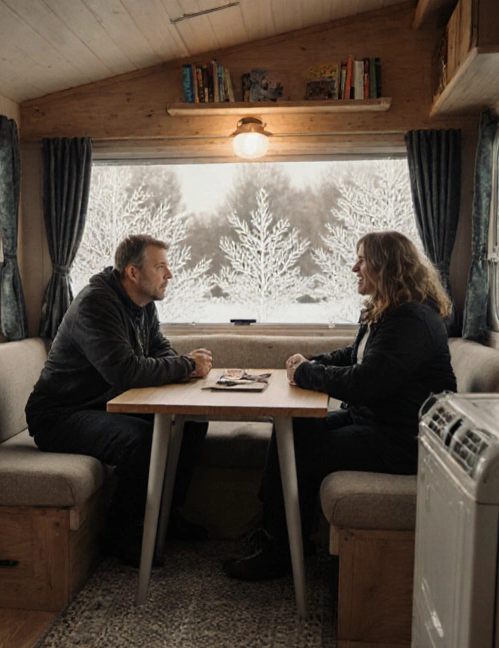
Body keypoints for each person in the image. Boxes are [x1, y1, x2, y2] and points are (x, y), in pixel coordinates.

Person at [224, 230, 457, 581]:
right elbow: (353, 356)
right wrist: (310, 362)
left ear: (385, 266)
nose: (354, 267)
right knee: (291, 427)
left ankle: (279, 548)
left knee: (296, 447)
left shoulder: (411, 321)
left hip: (402, 441)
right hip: (374, 422)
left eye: (362, 259)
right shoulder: (387, 311)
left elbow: (367, 383)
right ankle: (281, 538)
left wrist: (307, 374)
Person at [26, 234, 214, 566]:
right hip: (61, 415)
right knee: (139, 440)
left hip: (103, 404)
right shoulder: (96, 304)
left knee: (192, 420)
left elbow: (159, 349)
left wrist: (182, 367)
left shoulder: (143, 305)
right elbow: (125, 372)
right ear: (132, 272)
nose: (169, 274)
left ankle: (166, 515)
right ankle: (120, 532)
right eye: (160, 267)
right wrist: (187, 365)